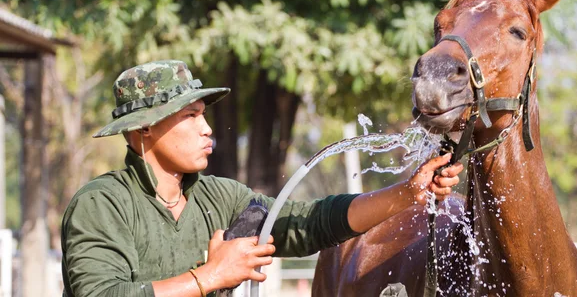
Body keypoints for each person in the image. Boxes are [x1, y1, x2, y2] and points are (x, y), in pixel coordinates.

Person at [61, 60, 463, 297]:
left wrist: (408, 193)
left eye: (203, 113)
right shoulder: (101, 204)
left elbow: (310, 223)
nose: (206, 128)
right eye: (190, 116)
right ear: (143, 128)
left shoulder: (221, 197)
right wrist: (210, 277)